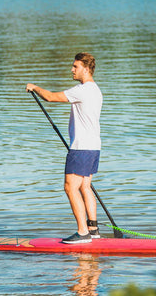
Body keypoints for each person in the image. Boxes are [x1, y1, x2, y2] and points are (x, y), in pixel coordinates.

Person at [26, 52, 103, 244]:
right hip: (94, 147)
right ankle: (93, 229)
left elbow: (51, 97)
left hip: (81, 148)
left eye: (75, 67)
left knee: (70, 187)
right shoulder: (96, 90)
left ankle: (83, 232)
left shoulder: (82, 90)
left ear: (86, 69)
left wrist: (34, 87)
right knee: (85, 186)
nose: (72, 69)